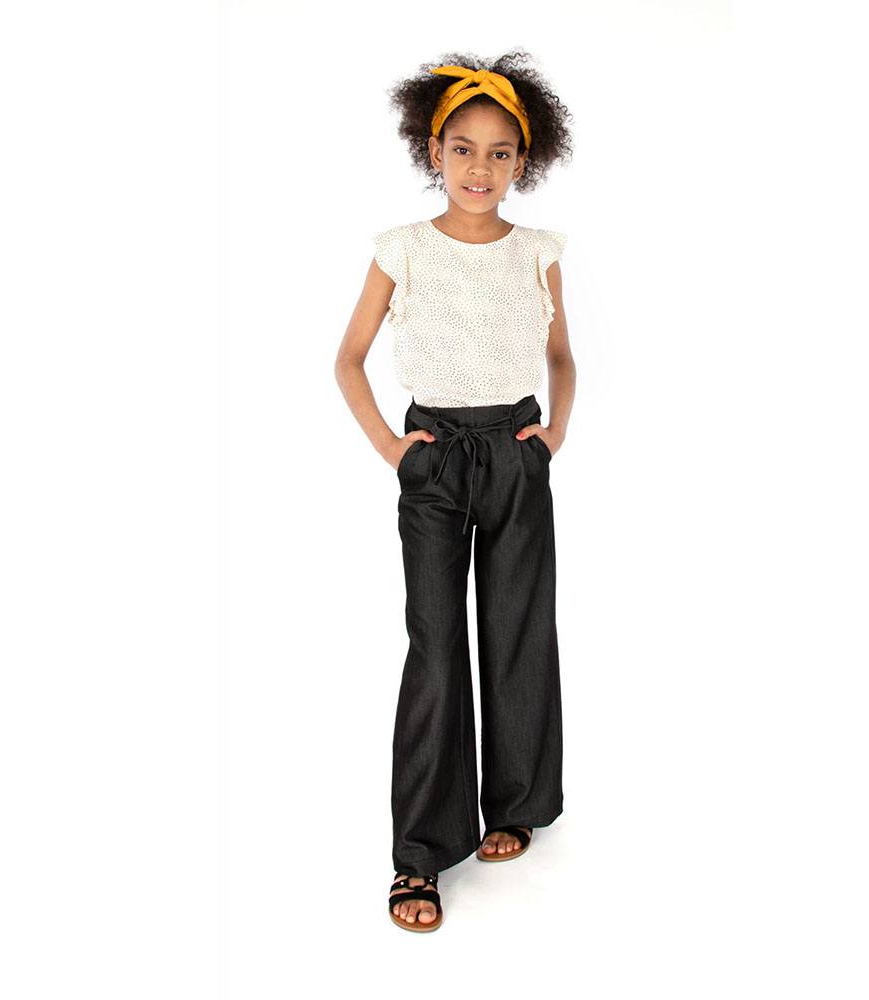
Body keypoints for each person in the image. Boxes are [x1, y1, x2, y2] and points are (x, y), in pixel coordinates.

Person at [334, 51, 576, 933]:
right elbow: (348, 359)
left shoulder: (538, 254)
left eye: (500, 152)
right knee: (436, 647)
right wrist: (393, 449)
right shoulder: (401, 250)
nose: (481, 168)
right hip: (434, 458)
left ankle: (517, 803)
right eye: (464, 148)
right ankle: (422, 853)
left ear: (524, 161)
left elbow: (560, 356)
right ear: (433, 151)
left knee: (517, 628)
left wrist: (553, 432)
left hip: (515, 452)